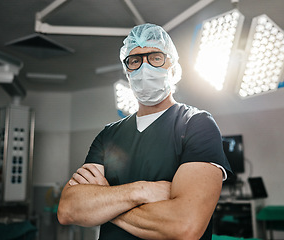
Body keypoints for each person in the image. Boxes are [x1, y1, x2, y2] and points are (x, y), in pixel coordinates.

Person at [57, 23, 231, 240]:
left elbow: (185, 226)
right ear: (127, 72)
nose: (144, 68)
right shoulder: (108, 136)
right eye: (135, 61)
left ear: (173, 67)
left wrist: (106, 200)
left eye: (156, 58)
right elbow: (68, 209)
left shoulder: (196, 124)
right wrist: (141, 191)